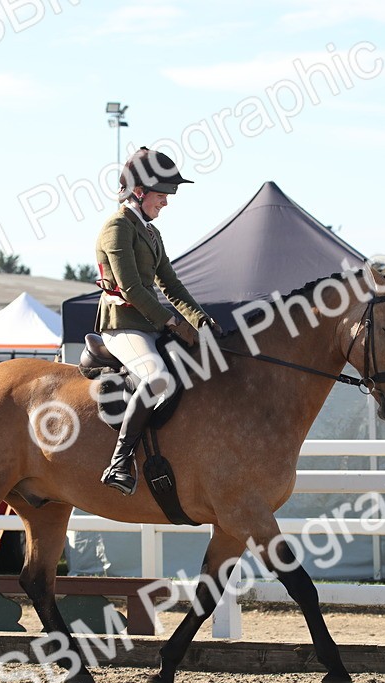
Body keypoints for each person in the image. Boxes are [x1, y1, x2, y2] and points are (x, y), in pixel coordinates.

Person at [94, 147, 221, 495]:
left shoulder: (150, 232)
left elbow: (171, 284)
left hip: (149, 326)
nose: (165, 203)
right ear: (139, 192)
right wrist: (171, 323)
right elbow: (133, 287)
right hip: (122, 326)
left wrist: (201, 320)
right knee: (158, 377)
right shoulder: (117, 228)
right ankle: (119, 462)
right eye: (162, 196)